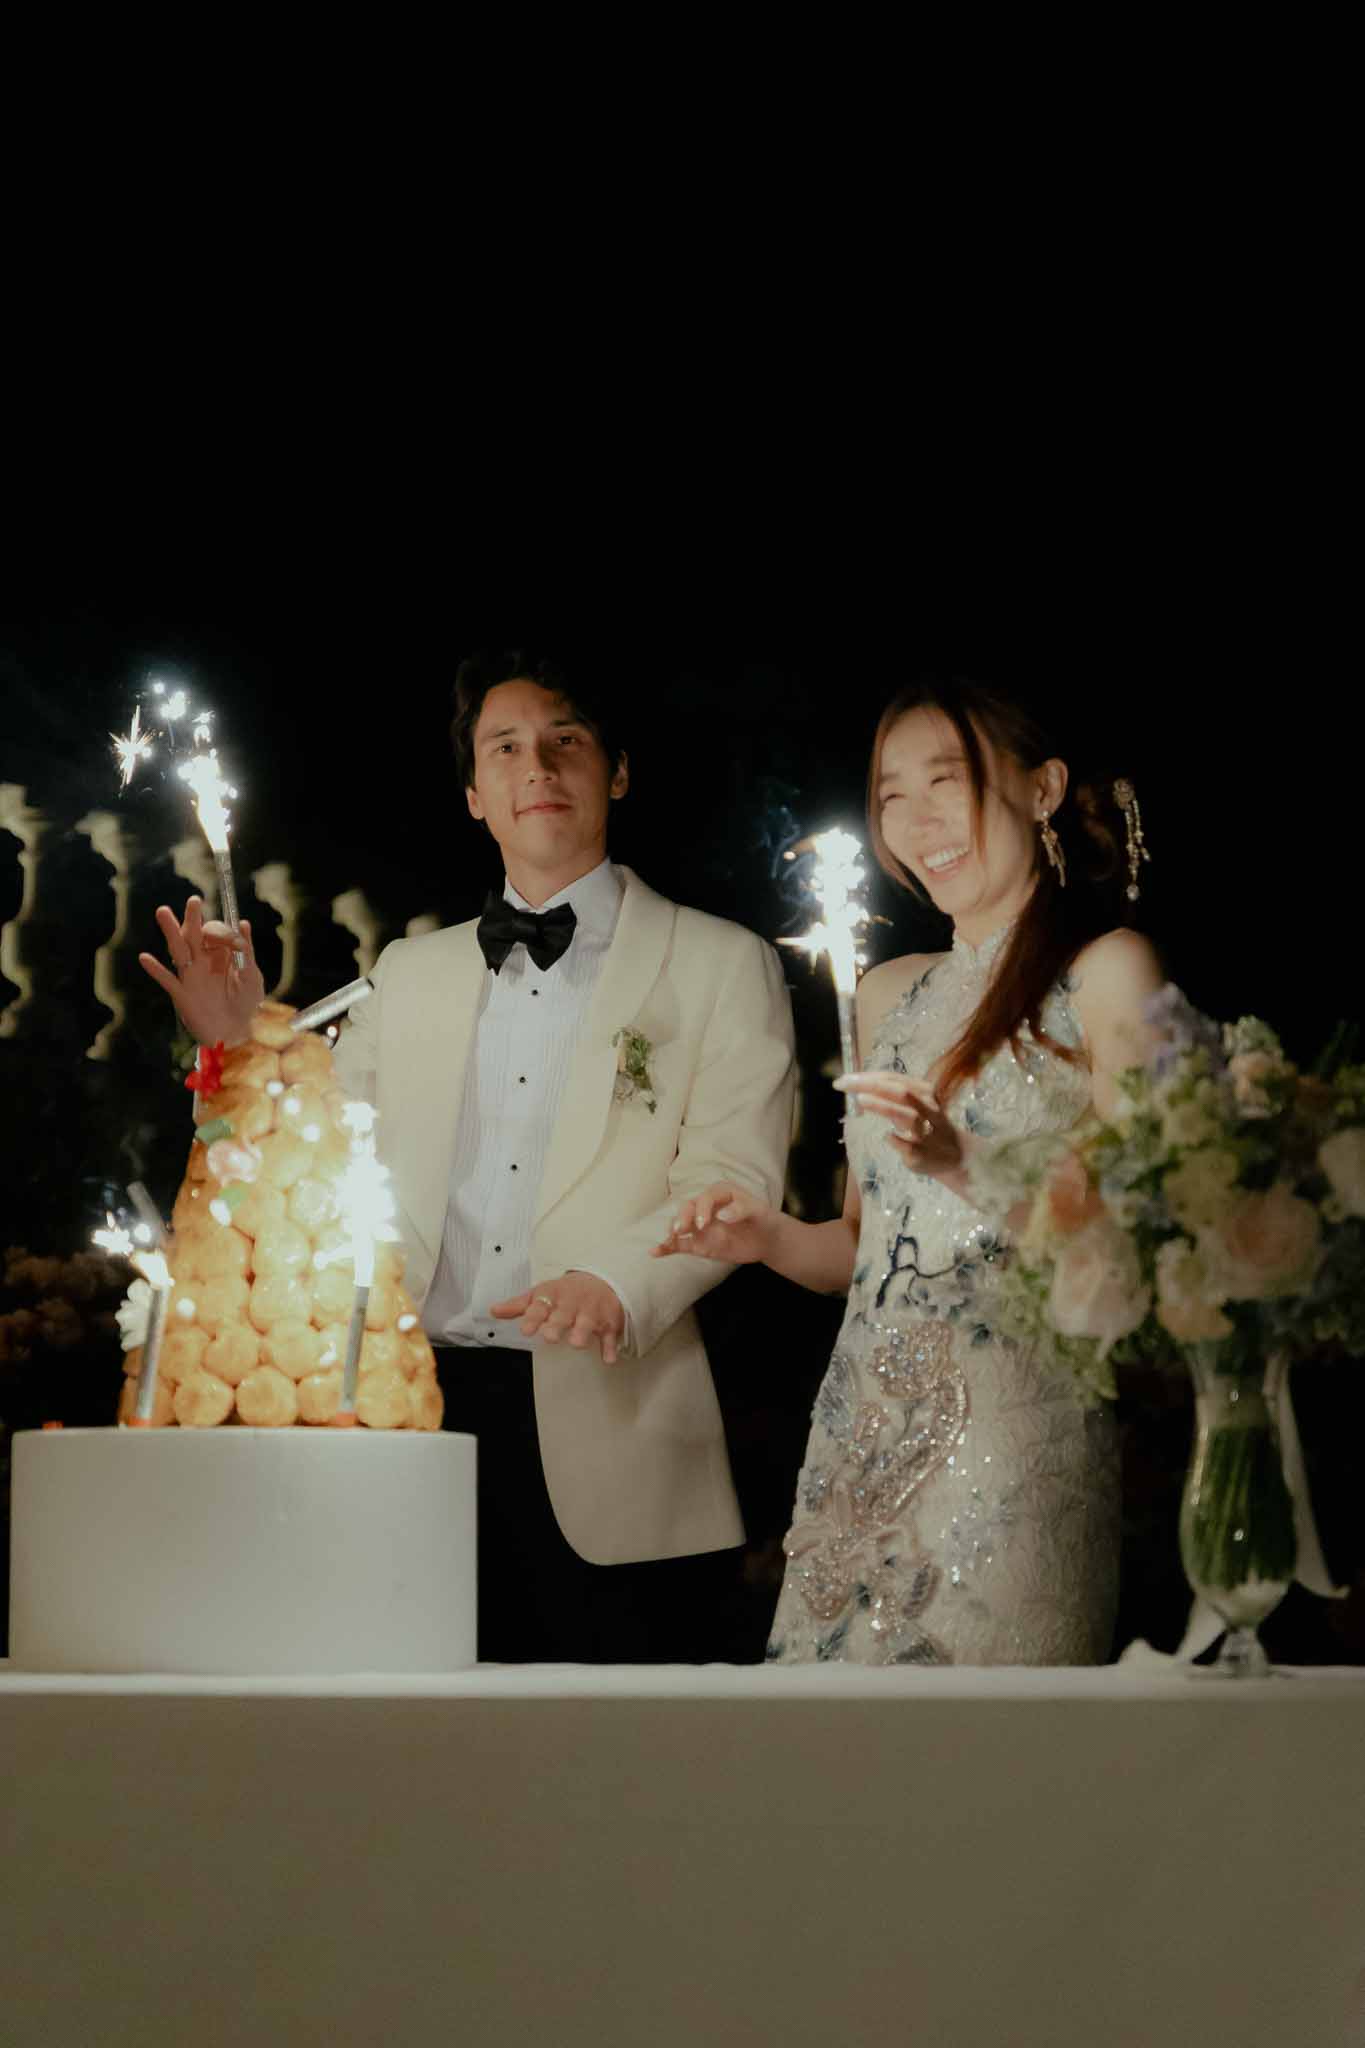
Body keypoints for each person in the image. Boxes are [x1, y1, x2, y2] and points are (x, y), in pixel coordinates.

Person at [140, 651, 795, 1663]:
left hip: (611, 1422)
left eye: (565, 739)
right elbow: (305, 1175)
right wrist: (236, 1047)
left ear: (615, 771)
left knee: (620, 1782)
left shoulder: (721, 961)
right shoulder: (407, 971)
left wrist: (619, 1285)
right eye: (506, 747)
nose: (537, 764)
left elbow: (737, 1179)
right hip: (410, 1429)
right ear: (476, 795)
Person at [655, 678, 1164, 1666]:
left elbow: (1137, 1240)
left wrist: (964, 1160)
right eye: (892, 792)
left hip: (1018, 1438)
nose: (916, 817)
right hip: (862, 1434)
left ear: (1044, 786)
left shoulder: (1109, 971)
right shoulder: (889, 992)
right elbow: (859, 1247)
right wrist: (764, 1235)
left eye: (948, 778)